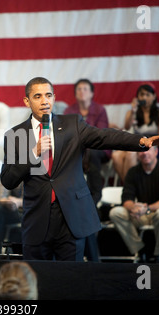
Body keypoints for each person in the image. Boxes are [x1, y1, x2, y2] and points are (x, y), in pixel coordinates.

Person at [0, 77, 159, 261]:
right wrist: (33, 153)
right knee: (38, 282)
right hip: (37, 220)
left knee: (73, 280)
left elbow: (105, 136)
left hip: (71, 218)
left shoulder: (72, 124)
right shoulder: (14, 136)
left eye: (48, 95)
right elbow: (8, 179)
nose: (44, 101)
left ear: (53, 97)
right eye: (38, 96)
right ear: (27, 101)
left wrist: (141, 141)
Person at [63, 78, 110, 261]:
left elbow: (101, 135)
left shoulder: (100, 110)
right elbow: (66, 135)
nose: (82, 92)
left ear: (91, 92)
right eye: (79, 89)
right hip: (78, 150)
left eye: (85, 89)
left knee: (94, 151)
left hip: (96, 150)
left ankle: (94, 195)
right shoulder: (69, 111)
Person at [109, 146, 159, 263]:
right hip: (141, 214)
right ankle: (140, 250)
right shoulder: (133, 172)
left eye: (148, 150)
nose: (144, 153)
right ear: (137, 154)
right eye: (141, 151)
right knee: (116, 213)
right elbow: (126, 198)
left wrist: (145, 208)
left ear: (156, 152)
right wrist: (134, 208)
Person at [112, 83, 159, 183]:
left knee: (130, 154)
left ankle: (129, 186)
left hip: (150, 145)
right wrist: (133, 110)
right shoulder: (132, 112)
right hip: (134, 143)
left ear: (154, 97)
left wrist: (149, 144)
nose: (144, 97)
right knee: (116, 156)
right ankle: (128, 185)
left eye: (147, 95)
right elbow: (127, 127)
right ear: (137, 97)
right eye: (142, 94)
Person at [0, 182, 23, 259]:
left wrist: (18, 202)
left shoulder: (33, 173)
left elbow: (35, 199)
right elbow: (1, 197)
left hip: (28, 211)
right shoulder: (8, 173)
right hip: (11, 210)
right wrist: (7, 202)